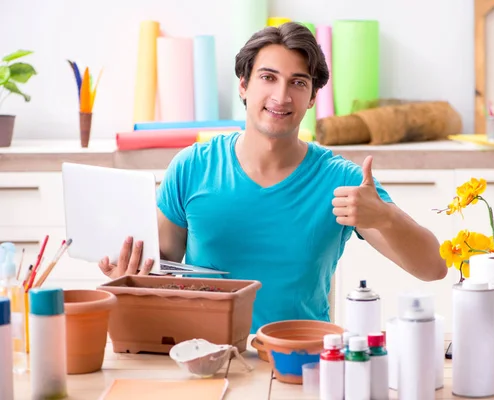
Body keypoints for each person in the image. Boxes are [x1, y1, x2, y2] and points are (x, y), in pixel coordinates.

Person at [98, 22, 447, 333]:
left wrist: (386, 216)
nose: (281, 96)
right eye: (268, 77)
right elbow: (159, 274)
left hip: (300, 357)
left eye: (298, 82)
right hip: (206, 354)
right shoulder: (192, 167)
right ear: (244, 86)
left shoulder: (341, 181)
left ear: (312, 98)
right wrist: (128, 279)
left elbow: (433, 267)